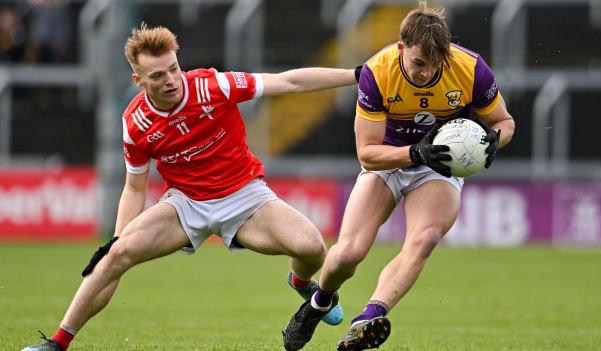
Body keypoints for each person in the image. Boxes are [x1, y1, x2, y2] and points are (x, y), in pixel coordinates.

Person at [21, 23, 356, 351]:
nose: (170, 81)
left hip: (244, 195)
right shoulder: (134, 122)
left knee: (313, 248)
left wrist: (356, 75)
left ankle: (299, 282)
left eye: (173, 69)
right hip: (186, 204)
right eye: (157, 76)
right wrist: (117, 241)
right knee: (113, 257)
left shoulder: (214, 86)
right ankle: (56, 343)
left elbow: (290, 82)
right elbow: (135, 188)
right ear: (139, 81)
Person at [282, 4, 515, 351]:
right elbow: (367, 152)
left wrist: (495, 140)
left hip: (437, 168)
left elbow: (504, 121)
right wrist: (413, 152)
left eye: (436, 65)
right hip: (387, 161)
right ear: (402, 48)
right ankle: (318, 303)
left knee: (425, 238)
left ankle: (367, 320)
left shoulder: (470, 68)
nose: (426, 73)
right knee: (348, 254)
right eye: (419, 64)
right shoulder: (378, 72)